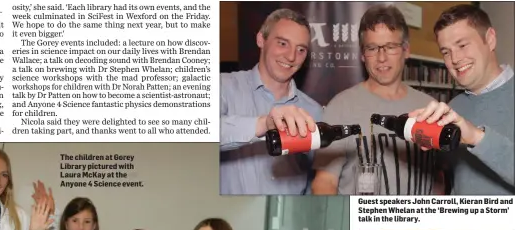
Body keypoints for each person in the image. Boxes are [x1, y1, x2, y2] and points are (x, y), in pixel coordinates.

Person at [312, 5, 437, 195]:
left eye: (390, 47)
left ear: (406, 50)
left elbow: (439, 178)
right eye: (372, 48)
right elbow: (324, 182)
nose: (381, 58)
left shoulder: (429, 108)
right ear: (363, 55)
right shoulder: (341, 106)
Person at [408, 5, 514, 195]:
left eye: (462, 45)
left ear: (490, 39)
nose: (455, 59)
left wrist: (475, 137)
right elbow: (446, 178)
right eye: (446, 52)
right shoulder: (453, 108)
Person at [220, 8, 322, 195]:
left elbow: (314, 180)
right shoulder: (223, 87)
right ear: (261, 39)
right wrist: (264, 124)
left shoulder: (314, 112)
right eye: (282, 43)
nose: (291, 57)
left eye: (301, 49)